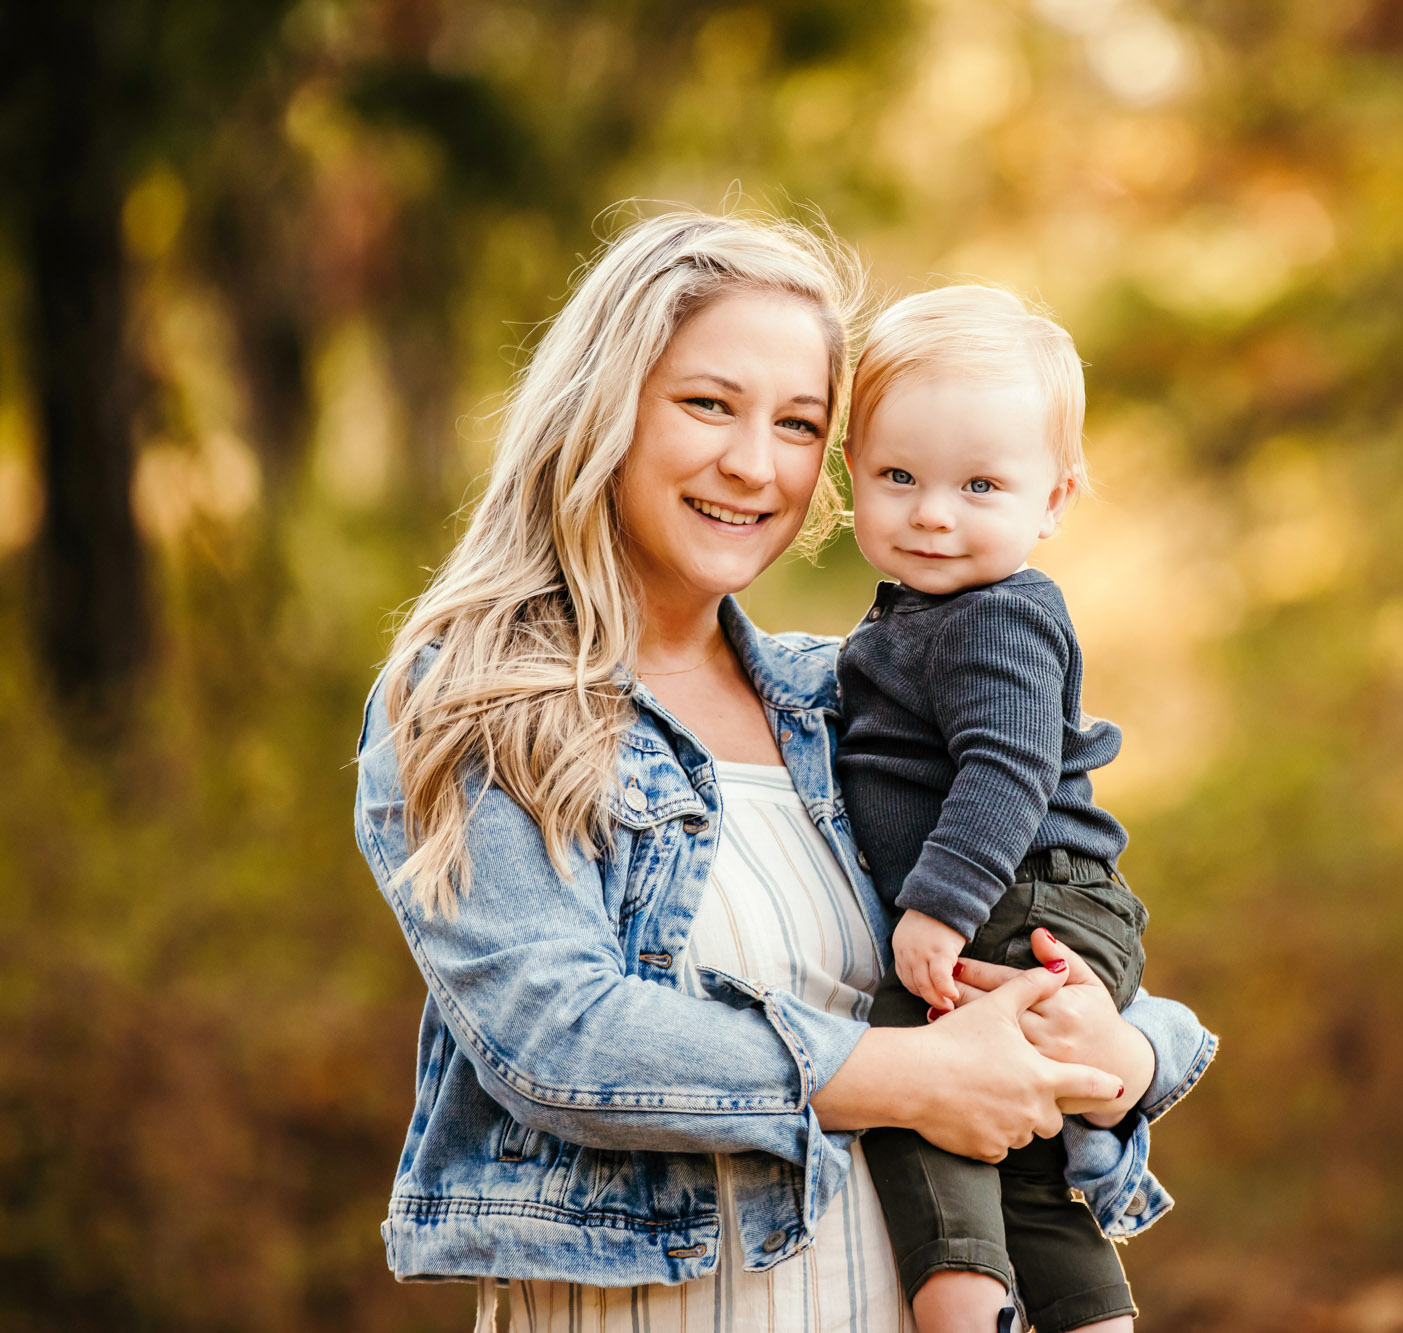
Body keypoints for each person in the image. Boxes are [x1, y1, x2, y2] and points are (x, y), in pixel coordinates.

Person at [350, 211, 1217, 1333]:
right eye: (708, 403)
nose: (753, 463)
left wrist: (1128, 1048)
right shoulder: (484, 699)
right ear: (605, 405)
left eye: (798, 423)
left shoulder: (839, 698)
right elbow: (556, 1037)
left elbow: (1052, 943)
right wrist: (906, 1075)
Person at [837, 286, 1153, 1333]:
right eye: (898, 476)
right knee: (1022, 1170)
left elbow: (1005, 771)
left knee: (905, 1071)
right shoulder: (918, 614)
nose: (932, 511)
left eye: (979, 483)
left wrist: (936, 905)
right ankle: (1087, 1313)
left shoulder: (992, 618)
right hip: (1032, 899)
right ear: (852, 478)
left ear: (1052, 500)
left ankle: (959, 1307)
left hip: (1018, 898)